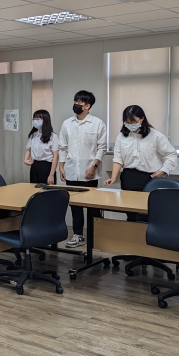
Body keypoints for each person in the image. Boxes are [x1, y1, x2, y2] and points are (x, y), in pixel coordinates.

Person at [104, 105, 177, 221]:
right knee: (130, 212)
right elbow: (118, 159)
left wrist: (163, 171)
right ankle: (132, 231)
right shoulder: (121, 137)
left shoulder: (156, 136)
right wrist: (113, 177)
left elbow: (171, 154)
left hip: (150, 177)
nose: (130, 125)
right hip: (129, 177)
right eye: (126, 122)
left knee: (147, 212)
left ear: (142, 119)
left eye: (133, 122)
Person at [58, 90, 107, 248]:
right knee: (75, 206)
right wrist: (61, 166)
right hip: (71, 171)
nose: (76, 105)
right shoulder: (67, 124)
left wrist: (94, 166)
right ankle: (78, 235)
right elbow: (62, 147)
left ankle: (96, 236)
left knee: (92, 207)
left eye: (79, 103)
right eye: (75, 102)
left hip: (90, 173)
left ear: (87, 106)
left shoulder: (97, 123)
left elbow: (102, 148)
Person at [24, 109, 59, 184]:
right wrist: (26, 159)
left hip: (46, 166)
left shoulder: (53, 136)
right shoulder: (33, 135)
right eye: (34, 119)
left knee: (46, 189)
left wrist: (51, 175)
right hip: (34, 165)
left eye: (38, 119)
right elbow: (29, 149)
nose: (35, 121)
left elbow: (55, 157)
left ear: (45, 120)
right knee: (33, 188)